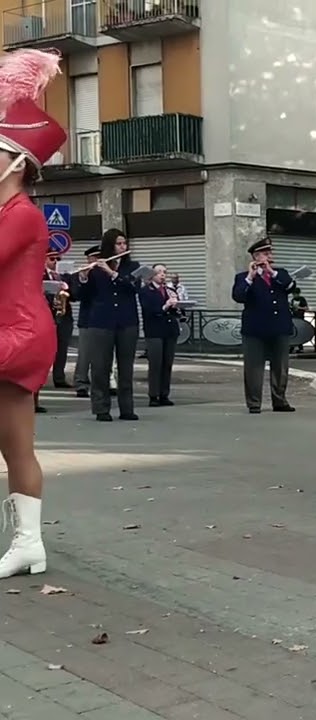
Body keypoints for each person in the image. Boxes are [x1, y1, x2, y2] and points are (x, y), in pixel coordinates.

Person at [0, 49, 69, 579]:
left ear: (20, 164)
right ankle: (29, 544)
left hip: (16, 335)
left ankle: (26, 541)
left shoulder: (22, 215)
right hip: (17, 332)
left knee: (16, 443)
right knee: (16, 444)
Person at [231, 237, 297, 414]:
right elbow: (238, 296)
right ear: (256, 256)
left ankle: (280, 400)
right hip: (255, 330)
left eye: (270, 253)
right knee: (253, 369)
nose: (270, 256)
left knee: (280, 367)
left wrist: (271, 272)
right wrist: (250, 277)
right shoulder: (242, 277)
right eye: (266, 254)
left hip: (279, 328)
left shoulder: (280, 273)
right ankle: (254, 403)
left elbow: (291, 287)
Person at [83, 229, 142, 422]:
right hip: (101, 321)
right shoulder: (96, 267)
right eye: (119, 244)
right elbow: (84, 295)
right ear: (110, 245)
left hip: (127, 321)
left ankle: (127, 409)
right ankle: (101, 408)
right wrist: (84, 278)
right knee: (100, 366)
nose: (123, 247)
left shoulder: (133, 266)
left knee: (126, 368)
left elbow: (133, 288)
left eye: (124, 243)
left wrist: (112, 273)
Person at [139, 264, 180, 407]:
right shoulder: (146, 291)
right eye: (159, 272)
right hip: (154, 331)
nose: (162, 275)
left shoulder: (169, 290)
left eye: (164, 272)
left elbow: (176, 312)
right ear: (152, 275)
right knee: (156, 363)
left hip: (170, 330)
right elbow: (149, 310)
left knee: (167, 363)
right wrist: (165, 306)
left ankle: (164, 394)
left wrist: (176, 305)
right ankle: (153, 395)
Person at [43, 250, 73, 389]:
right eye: (52, 259)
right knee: (44, 350)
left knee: (62, 348)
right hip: (46, 316)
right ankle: (40, 379)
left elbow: (75, 295)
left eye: (58, 259)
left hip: (63, 316)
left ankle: (59, 377)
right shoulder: (39, 275)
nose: (55, 262)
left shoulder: (65, 276)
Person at [71, 245, 98, 398]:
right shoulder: (81, 274)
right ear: (89, 259)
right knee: (85, 354)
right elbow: (76, 295)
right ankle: (81, 383)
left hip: (104, 320)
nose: (97, 260)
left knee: (102, 355)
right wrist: (84, 278)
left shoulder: (105, 273)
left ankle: (102, 382)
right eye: (94, 257)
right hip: (88, 319)